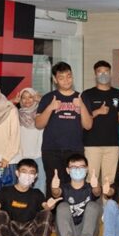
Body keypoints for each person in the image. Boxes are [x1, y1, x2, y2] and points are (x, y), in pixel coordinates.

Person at [35, 62, 93, 194]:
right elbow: (38, 124)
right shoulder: (48, 98)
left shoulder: (82, 97)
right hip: (51, 150)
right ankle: (53, 208)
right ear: (55, 79)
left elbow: (88, 125)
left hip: (75, 149)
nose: (66, 80)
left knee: (76, 183)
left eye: (69, 76)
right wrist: (50, 107)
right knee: (53, 183)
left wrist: (81, 106)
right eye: (61, 78)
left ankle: (75, 207)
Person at [81, 60, 119, 188]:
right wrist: (98, 112)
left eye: (106, 71)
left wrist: (110, 125)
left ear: (110, 73)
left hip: (112, 144)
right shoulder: (87, 94)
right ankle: (91, 201)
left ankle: (107, 202)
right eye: (100, 72)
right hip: (91, 144)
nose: (103, 74)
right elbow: (83, 119)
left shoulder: (118, 94)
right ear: (95, 74)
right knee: (92, 179)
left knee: (109, 181)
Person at [50, 154, 101, 236]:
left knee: (93, 205)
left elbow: (97, 192)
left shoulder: (90, 187)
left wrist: (96, 185)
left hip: (87, 233)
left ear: (86, 169)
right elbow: (56, 193)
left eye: (81, 167)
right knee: (62, 206)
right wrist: (54, 188)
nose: (78, 170)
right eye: (74, 167)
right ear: (68, 170)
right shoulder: (64, 188)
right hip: (67, 233)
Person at [12, 88, 45, 194]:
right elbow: (1, 110)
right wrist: (13, 102)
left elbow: (55, 108)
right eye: (24, 98)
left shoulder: (42, 114)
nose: (27, 100)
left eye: (30, 97)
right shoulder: (16, 114)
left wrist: (42, 100)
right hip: (21, 156)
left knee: (40, 186)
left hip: (39, 155)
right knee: (21, 186)